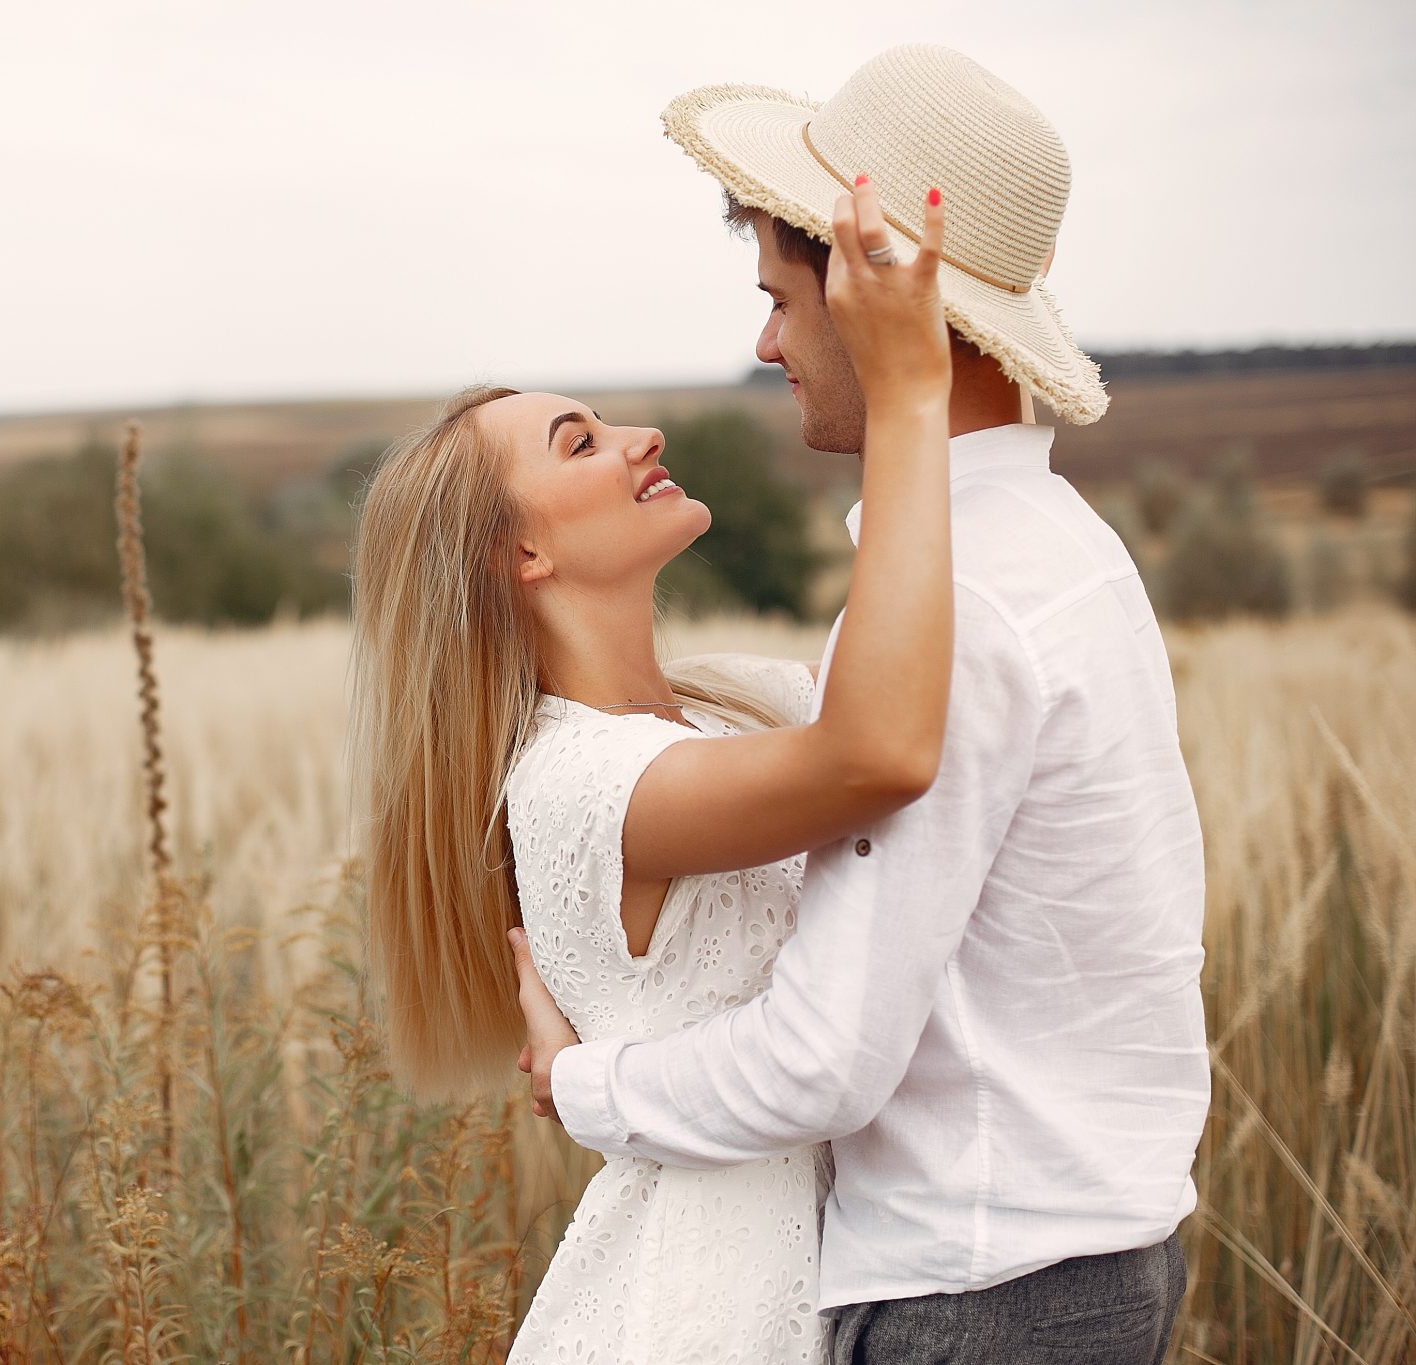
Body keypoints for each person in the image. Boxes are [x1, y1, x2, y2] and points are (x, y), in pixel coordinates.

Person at [509, 44, 1210, 1364]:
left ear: (874, 295)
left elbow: (827, 1058)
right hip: (1073, 1259)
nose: (768, 340)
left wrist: (579, 1082)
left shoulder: (969, 599)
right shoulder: (1056, 543)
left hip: (981, 1288)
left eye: (784, 295)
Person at [351, 163, 952, 1356]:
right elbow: (875, 748)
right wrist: (913, 400)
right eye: (581, 442)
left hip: (857, 1250)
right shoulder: (579, 786)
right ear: (518, 553)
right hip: (712, 1294)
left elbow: (918, 666)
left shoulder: (731, 705)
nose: (644, 436)